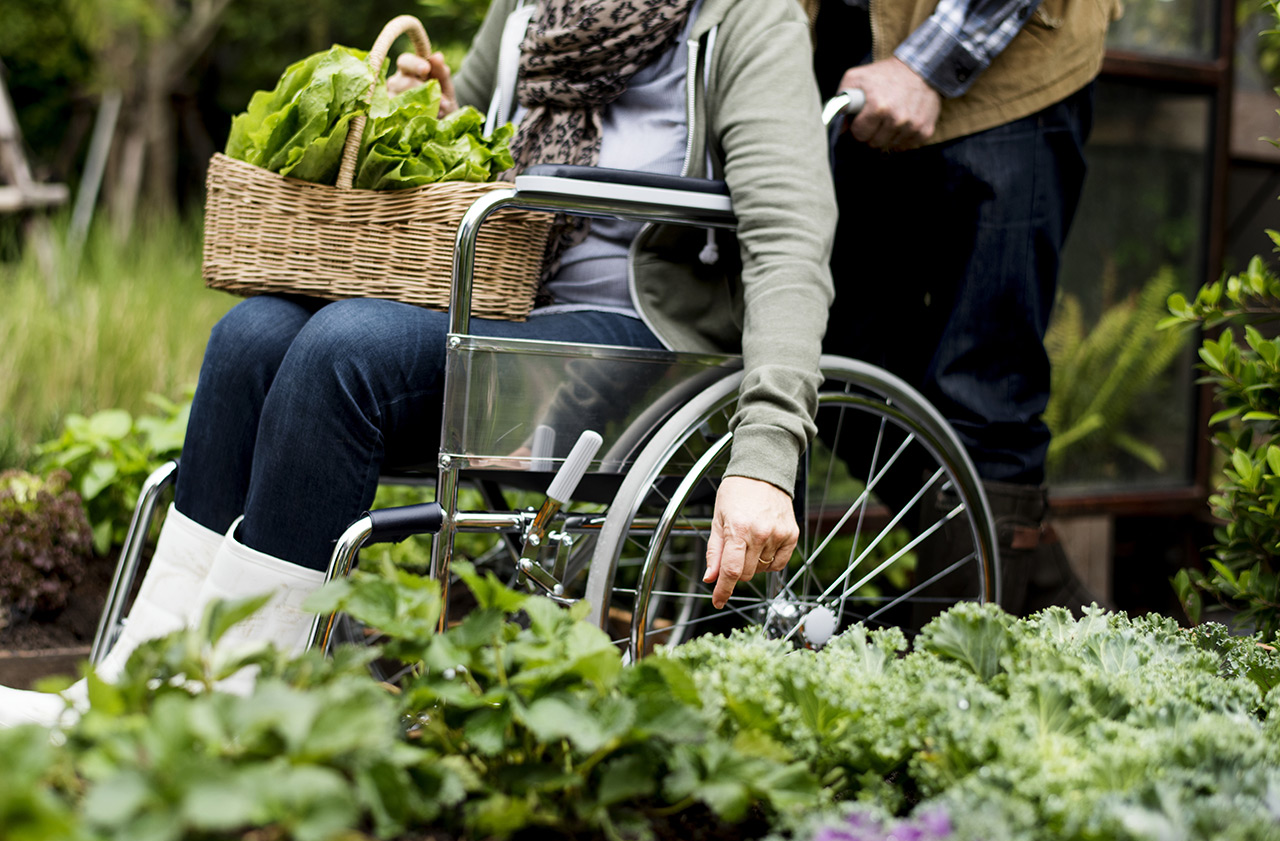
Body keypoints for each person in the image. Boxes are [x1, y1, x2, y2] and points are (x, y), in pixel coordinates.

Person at [0, 0, 836, 727]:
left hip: (631, 332)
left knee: (346, 350)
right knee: (251, 333)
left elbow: (789, 240)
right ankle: (144, 677)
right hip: (491, 300)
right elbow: (465, 139)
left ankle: (242, 703)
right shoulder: (530, 7)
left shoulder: (739, 16)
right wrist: (430, 113)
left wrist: (765, 453)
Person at [810, 0, 1120, 614]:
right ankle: (1042, 589)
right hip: (844, 69)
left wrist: (926, 68)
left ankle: (959, 683)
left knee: (985, 385)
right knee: (825, 347)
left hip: (1008, 66)